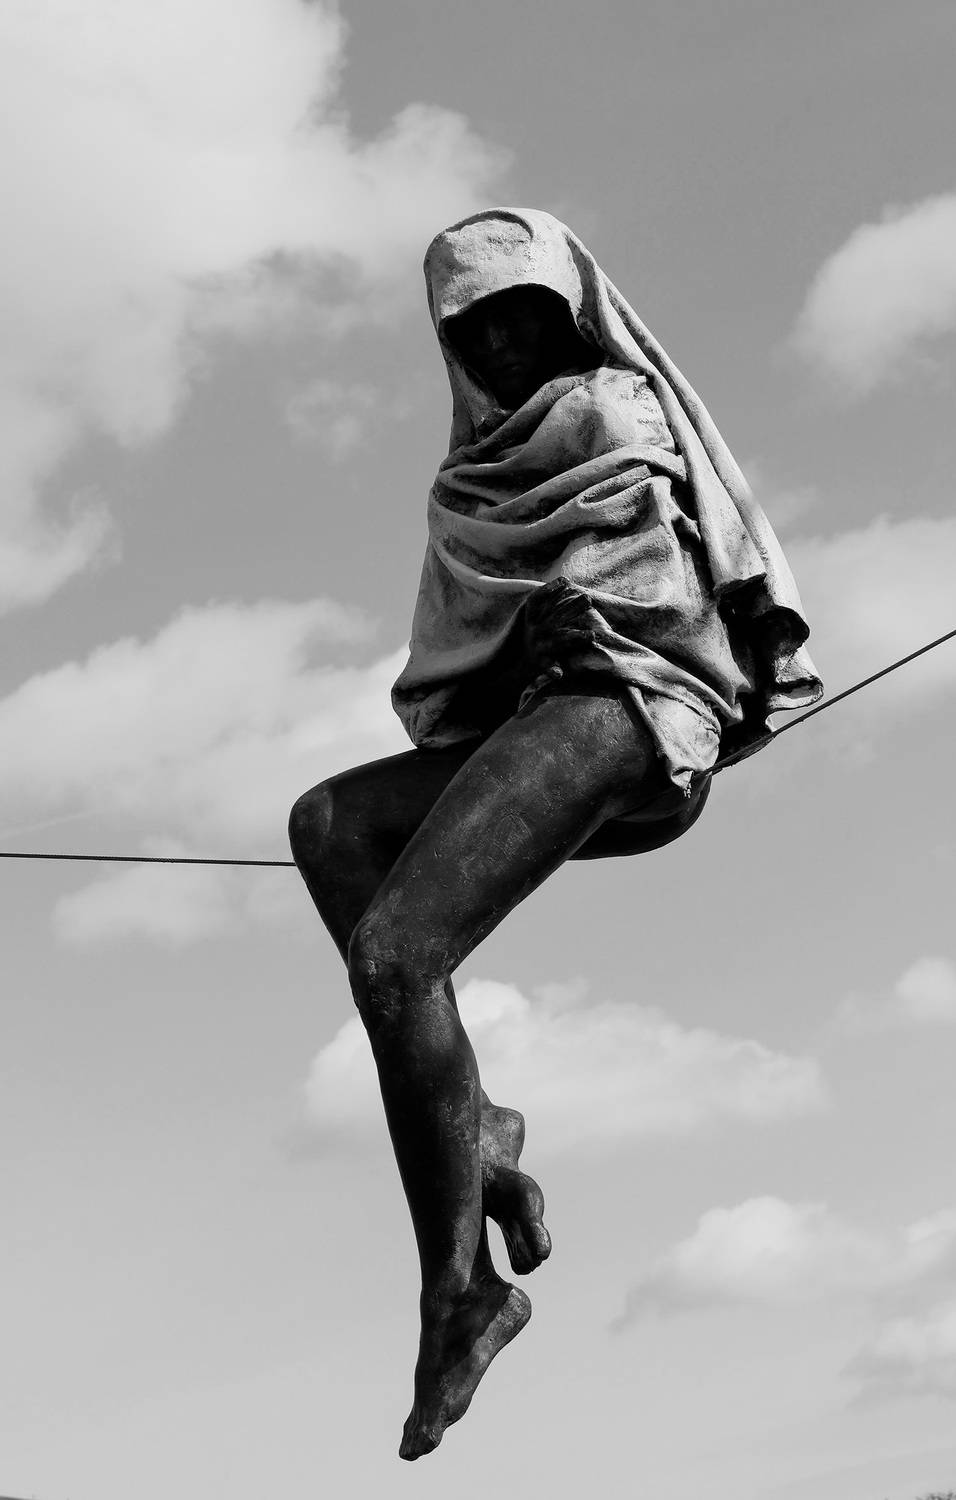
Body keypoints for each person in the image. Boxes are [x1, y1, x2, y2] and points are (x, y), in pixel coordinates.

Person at [288, 208, 822, 1459]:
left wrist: (566, 624)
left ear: (570, 305)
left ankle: (459, 1294)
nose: (501, 339)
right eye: (472, 326)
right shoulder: (467, 483)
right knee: (329, 825)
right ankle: (477, 1128)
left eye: (521, 310)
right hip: (537, 726)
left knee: (395, 955)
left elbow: (654, 599)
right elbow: (460, 683)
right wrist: (524, 640)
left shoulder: (610, 412)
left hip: (632, 710)